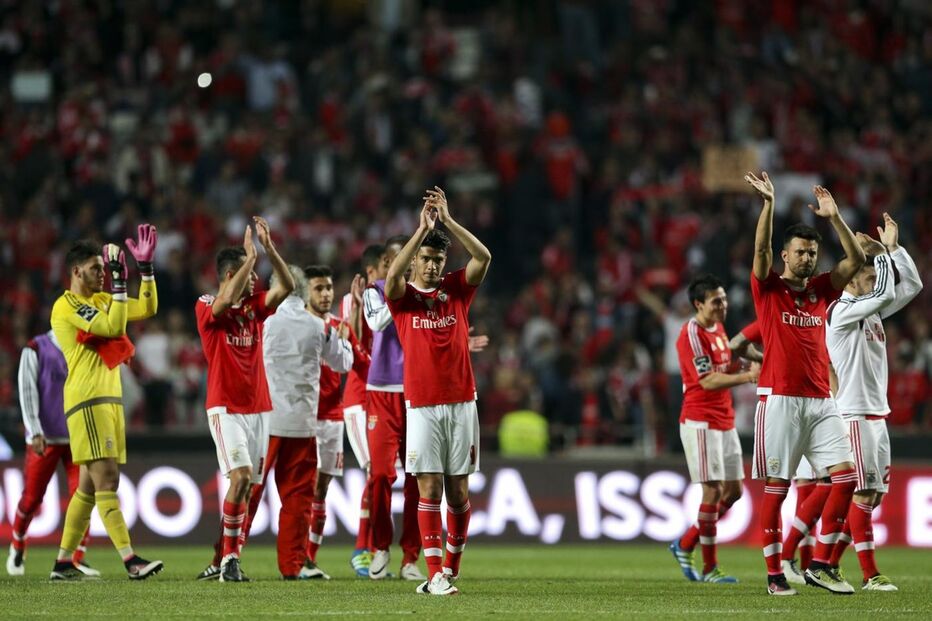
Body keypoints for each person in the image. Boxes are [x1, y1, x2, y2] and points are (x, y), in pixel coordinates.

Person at [745, 172, 865, 596]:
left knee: (847, 477)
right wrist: (768, 205)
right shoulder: (769, 288)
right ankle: (776, 574)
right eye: (800, 253)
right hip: (779, 400)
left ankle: (818, 564)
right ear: (785, 254)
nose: (807, 260)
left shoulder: (820, 289)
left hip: (821, 401)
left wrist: (835, 219)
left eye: (812, 254)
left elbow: (856, 263)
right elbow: (759, 250)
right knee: (777, 491)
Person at [385, 186, 491, 595]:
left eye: (438, 259)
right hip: (423, 406)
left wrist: (447, 223)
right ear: (416, 259)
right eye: (427, 259)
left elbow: (483, 257)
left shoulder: (457, 290)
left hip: (464, 402)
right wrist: (419, 231)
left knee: (459, 492)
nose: (432, 266)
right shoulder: (404, 299)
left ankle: (451, 567)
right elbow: (392, 277)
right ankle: (433, 575)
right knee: (428, 487)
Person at [48, 227, 162, 580]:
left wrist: (145, 271)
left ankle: (64, 562)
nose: (102, 273)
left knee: (86, 488)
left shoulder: (99, 301)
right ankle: (131, 560)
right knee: (107, 479)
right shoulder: (66, 306)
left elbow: (147, 307)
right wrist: (117, 281)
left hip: (107, 399)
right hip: (88, 399)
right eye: (96, 268)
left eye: (104, 268)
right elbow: (114, 327)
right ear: (77, 271)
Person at [823, 213, 922, 590]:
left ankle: (826, 564)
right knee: (863, 492)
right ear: (851, 280)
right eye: (867, 275)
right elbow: (884, 290)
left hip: (875, 414)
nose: (875, 282)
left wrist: (895, 250)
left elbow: (911, 286)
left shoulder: (872, 309)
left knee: (874, 496)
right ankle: (870, 574)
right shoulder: (842, 312)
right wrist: (881, 253)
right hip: (854, 415)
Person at [195, 217, 294, 583]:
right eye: (250, 273)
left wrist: (268, 249)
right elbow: (221, 306)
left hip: (260, 409)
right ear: (234, 272)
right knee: (238, 478)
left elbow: (288, 284)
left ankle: (224, 559)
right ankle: (228, 561)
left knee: (249, 487)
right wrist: (250, 259)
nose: (256, 281)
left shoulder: (255, 306)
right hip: (226, 407)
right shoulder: (206, 303)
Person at [668, 274, 760, 584]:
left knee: (732, 492)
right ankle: (710, 568)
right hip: (700, 420)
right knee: (712, 490)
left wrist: (742, 368)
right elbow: (706, 381)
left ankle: (686, 542)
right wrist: (747, 378)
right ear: (698, 304)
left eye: (724, 299)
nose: (724, 305)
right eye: (716, 301)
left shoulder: (719, 328)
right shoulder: (691, 334)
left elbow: (723, 369)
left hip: (724, 418)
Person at [7, 331, 98, 578]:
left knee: (84, 496)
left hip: (77, 435)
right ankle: (18, 543)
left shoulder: (84, 344)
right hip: (45, 437)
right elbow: (27, 392)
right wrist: (34, 430)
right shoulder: (35, 348)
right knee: (32, 498)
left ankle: (76, 558)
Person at [363, 236, 425, 582]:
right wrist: (401, 293)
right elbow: (375, 323)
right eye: (397, 259)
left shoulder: (426, 293)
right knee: (381, 475)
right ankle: (381, 547)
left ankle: (411, 558)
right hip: (382, 392)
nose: (404, 263)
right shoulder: (376, 290)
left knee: (417, 478)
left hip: (417, 393)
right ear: (389, 262)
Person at [305, 265, 370, 579]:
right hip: (297, 417)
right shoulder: (293, 324)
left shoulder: (341, 326)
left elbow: (360, 364)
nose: (326, 293)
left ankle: (308, 560)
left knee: (320, 490)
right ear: (305, 292)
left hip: (331, 418)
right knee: (297, 491)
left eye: (329, 287)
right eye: (319, 288)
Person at [341, 244, 385, 577]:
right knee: (373, 470)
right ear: (372, 269)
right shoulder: (350, 300)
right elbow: (350, 346)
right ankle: (362, 548)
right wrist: (356, 308)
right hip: (358, 398)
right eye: (387, 263)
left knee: (382, 473)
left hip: (384, 396)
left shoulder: (391, 297)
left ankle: (374, 548)